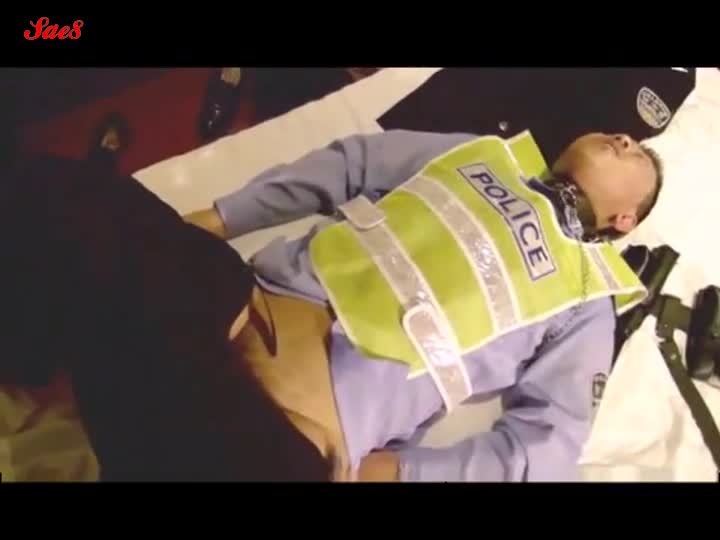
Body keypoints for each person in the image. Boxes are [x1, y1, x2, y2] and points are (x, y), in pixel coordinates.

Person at [183, 127, 663, 481]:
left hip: (300, 424)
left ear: (625, 220)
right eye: (620, 136)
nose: (624, 139)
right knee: (134, 222)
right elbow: (354, 162)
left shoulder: (587, 301)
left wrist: (396, 473)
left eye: (638, 153)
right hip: (233, 299)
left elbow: (546, 448)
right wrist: (216, 221)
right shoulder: (480, 154)